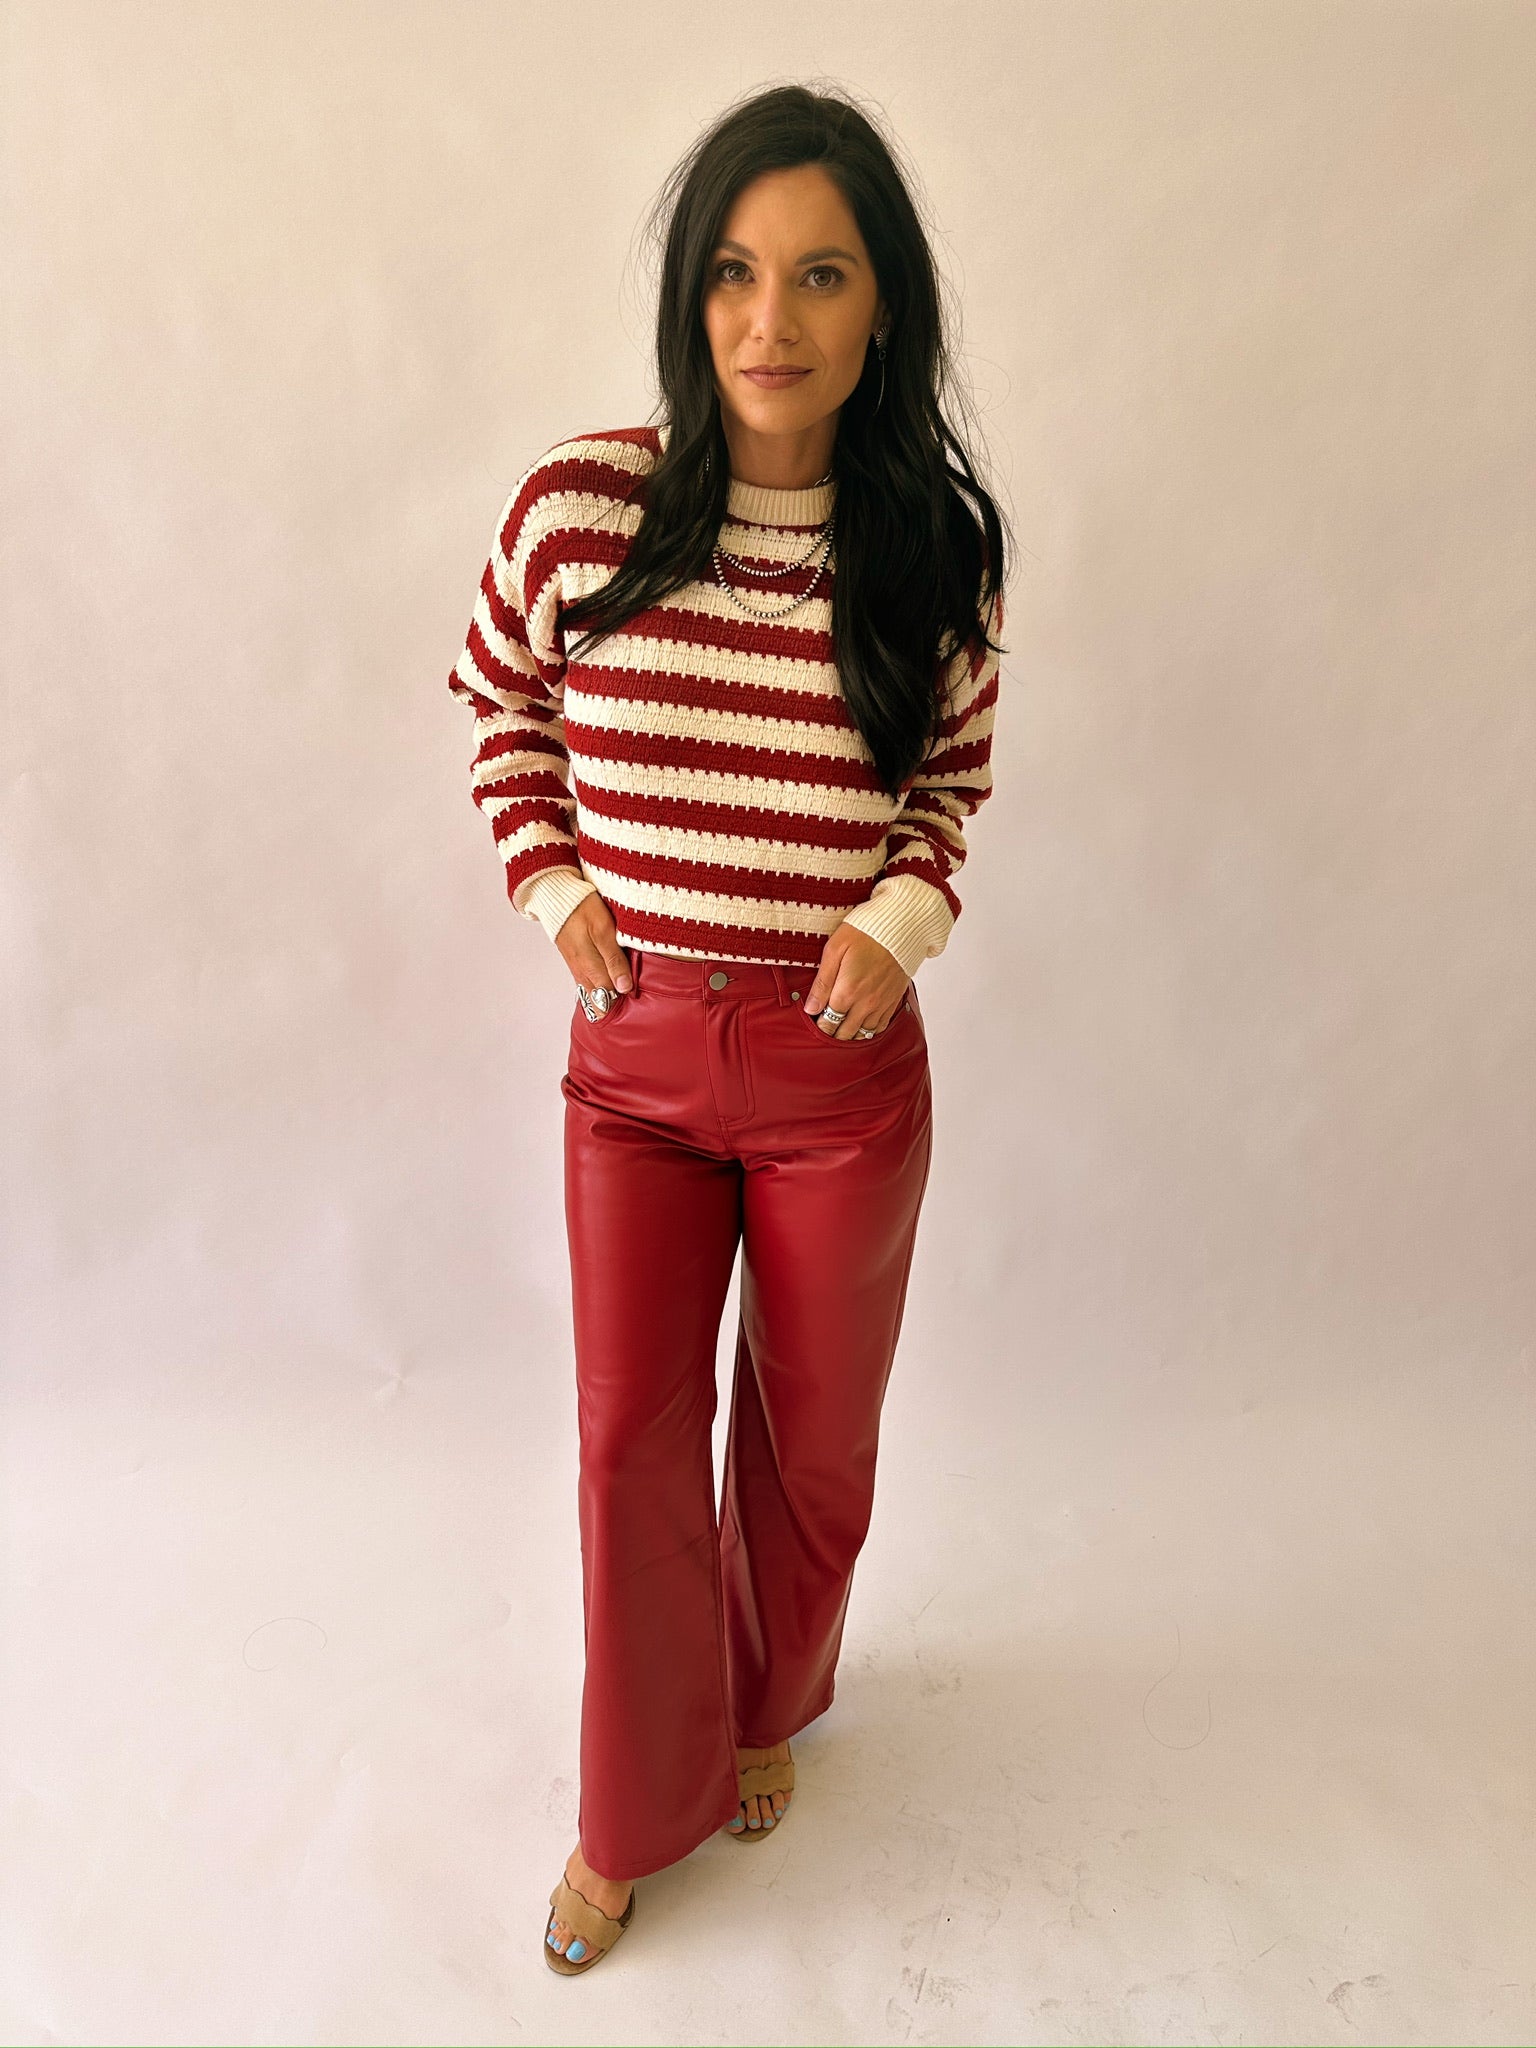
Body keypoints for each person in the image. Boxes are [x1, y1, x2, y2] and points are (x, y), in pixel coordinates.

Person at [445, 82, 1009, 1975]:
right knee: (631, 1442)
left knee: (812, 1439)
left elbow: (948, 789)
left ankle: (768, 1701)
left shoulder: (932, 546)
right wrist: (553, 887)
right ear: (691, 294)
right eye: (736, 275)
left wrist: (900, 920)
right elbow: (500, 705)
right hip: (640, 1072)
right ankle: (628, 1816)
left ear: (881, 305)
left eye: (822, 276)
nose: (773, 321)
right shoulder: (581, 509)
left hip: (840, 1077)